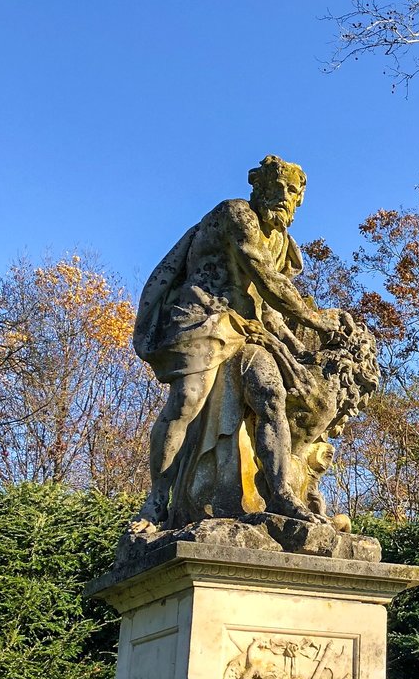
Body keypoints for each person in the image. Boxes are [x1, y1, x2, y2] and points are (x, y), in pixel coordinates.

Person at [134, 155, 353, 528]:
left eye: (294, 193)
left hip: (247, 329)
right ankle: (156, 501)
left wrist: (296, 347)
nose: (285, 197)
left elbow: (266, 307)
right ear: (259, 187)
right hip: (203, 318)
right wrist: (316, 321)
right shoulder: (237, 214)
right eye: (278, 187)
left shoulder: (281, 242)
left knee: (270, 393)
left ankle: (283, 493)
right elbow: (266, 280)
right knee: (186, 400)